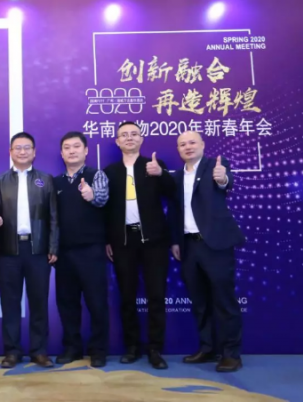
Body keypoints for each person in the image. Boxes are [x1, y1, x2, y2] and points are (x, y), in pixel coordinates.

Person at [169, 130, 245, 372]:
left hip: (215, 245)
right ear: (178, 150)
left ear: (202, 144)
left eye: (192, 142)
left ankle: (231, 354)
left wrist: (223, 179)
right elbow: (175, 211)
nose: (188, 147)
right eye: (182, 144)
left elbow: (226, 182)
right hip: (189, 246)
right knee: (200, 302)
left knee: (224, 300)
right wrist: (175, 241)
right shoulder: (176, 176)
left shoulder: (215, 166)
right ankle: (208, 348)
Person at [104, 121, 175, 370]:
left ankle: (155, 349)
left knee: (156, 296)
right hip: (124, 242)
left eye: (134, 134)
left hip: (154, 242)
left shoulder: (153, 165)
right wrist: (108, 239)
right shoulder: (110, 171)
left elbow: (173, 193)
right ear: (117, 141)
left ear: (141, 139)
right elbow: (105, 210)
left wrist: (161, 174)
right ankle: (131, 347)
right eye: (124, 135)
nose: (129, 138)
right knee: (127, 296)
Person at [0, 132, 58, 369]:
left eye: (27, 147)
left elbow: (54, 217)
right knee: (10, 303)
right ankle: (12, 352)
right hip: (9, 250)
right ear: (10, 152)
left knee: (39, 302)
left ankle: (39, 351)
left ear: (34, 152)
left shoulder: (46, 180)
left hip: (38, 250)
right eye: (17, 148)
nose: (22, 151)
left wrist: (53, 246)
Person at [53, 131, 109, 368]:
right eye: (67, 147)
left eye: (76, 146)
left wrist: (91, 194)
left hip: (91, 250)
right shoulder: (55, 182)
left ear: (86, 150)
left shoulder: (96, 175)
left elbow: (103, 199)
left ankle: (98, 350)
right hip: (64, 252)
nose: (72, 151)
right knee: (67, 303)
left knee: (97, 302)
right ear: (61, 153)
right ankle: (72, 348)